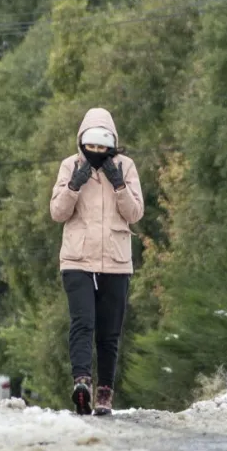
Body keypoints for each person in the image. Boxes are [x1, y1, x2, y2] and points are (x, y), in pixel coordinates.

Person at [50, 108, 144, 416]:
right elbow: (57, 213)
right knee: (82, 322)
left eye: (103, 146)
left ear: (112, 143)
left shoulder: (126, 166)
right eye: (91, 146)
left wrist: (119, 185)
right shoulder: (70, 165)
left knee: (108, 331)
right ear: (82, 142)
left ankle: (105, 392)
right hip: (77, 259)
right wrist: (74, 184)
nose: (97, 152)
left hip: (116, 261)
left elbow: (135, 214)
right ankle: (82, 384)